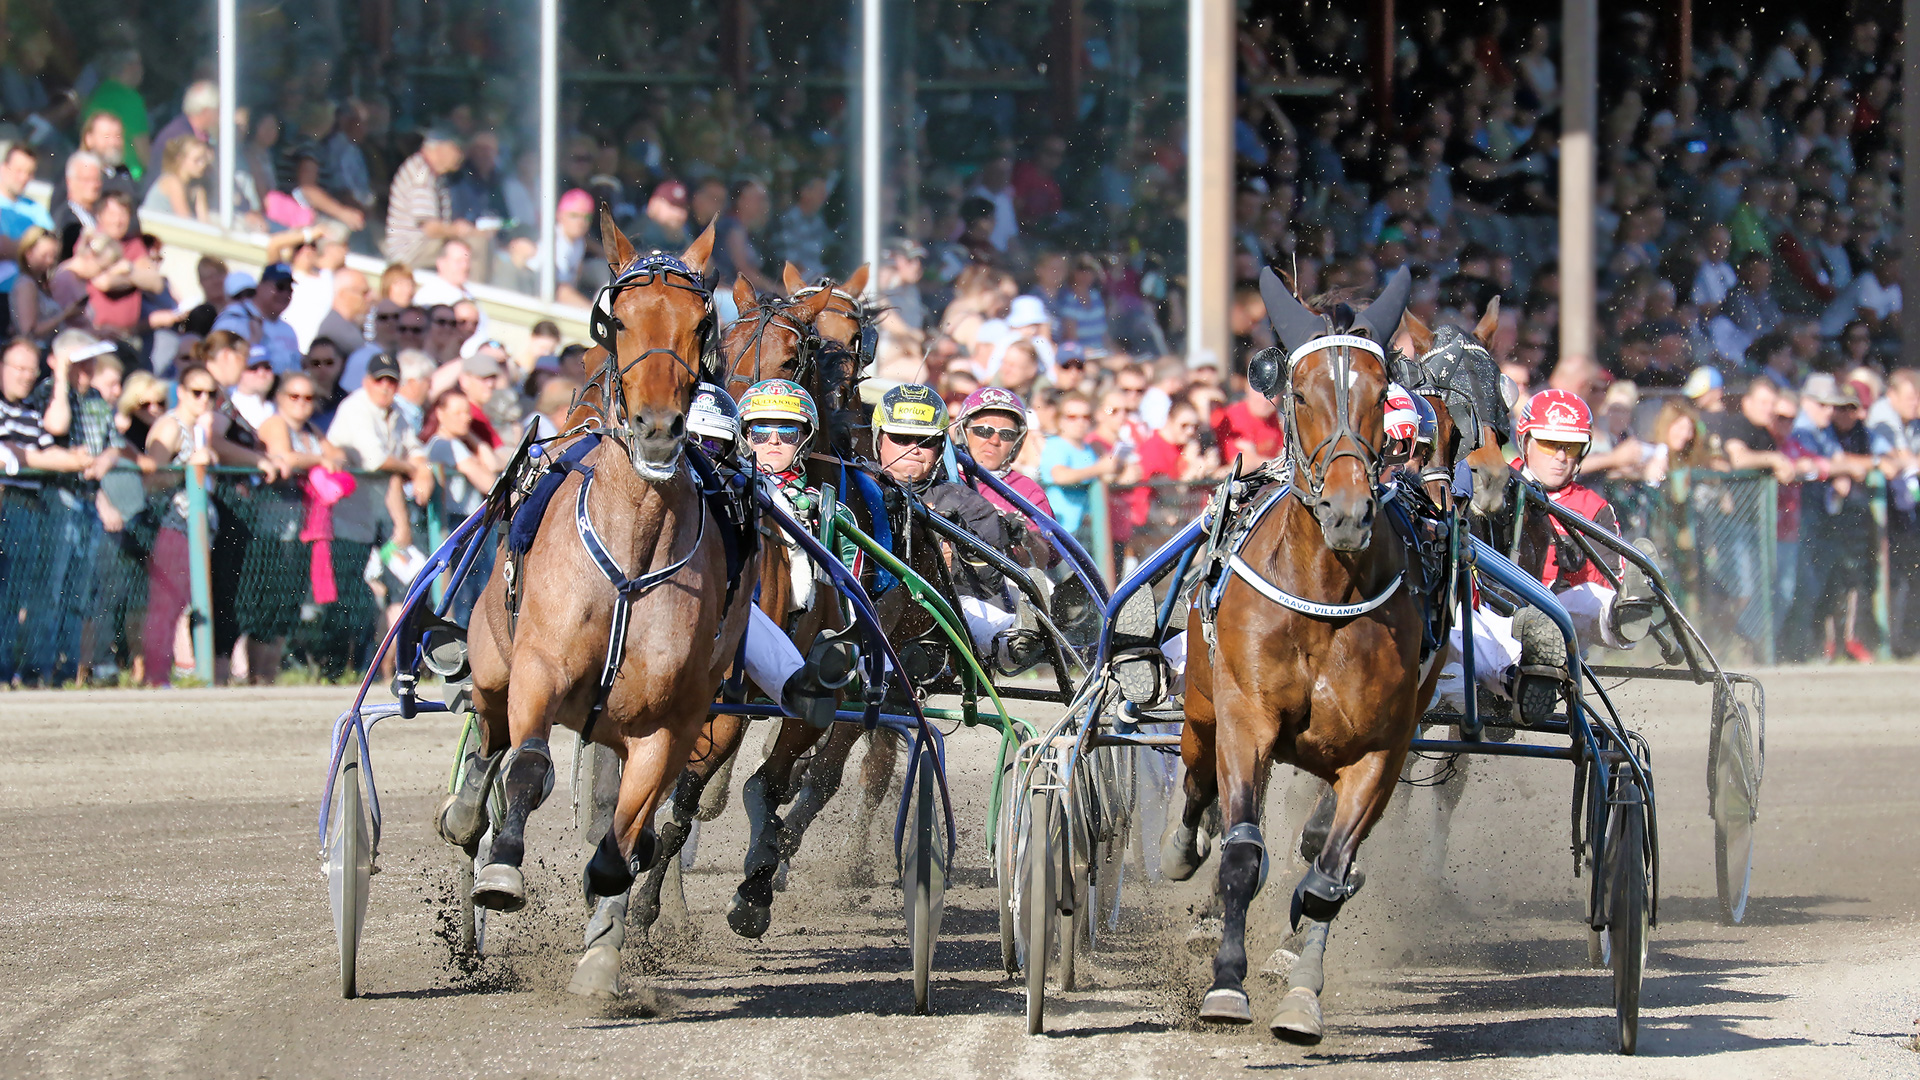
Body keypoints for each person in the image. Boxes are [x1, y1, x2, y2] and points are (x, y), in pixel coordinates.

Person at [1437, 390, 1656, 725]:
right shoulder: (1493, 481)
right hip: (1494, 615)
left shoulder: (1593, 508)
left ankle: (1625, 618)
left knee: (1591, 598)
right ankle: (1519, 681)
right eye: (1549, 445)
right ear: (1525, 443)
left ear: (1583, 452)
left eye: (1569, 448)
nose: (1560, 457)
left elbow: (1605, 578)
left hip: (1557, 626)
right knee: (1455, 621)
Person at [871, 383, 1021, 658]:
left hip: (947, 608)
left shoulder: (967, 503)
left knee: (972, 611)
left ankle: (1014, 641)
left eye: (926, 441)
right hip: (869, 601)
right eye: (902, 437)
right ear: (879, 439)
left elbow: (990, 584)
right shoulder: (858, 488)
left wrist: (965, 548)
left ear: (941, 447)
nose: (914, 449)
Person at [733, 378, 852, 726]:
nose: (772, 441)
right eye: (760, 432)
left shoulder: (824, 505)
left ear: (804, 438)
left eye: (787, 432)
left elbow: (847, 586)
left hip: (801, 611)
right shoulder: (722, 480)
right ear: (744, 436)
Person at [422, 387, 502, 623]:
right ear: (440, 413)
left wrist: (472, 438)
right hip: (458, 522)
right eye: (457, 413)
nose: (465, 417)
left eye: (467, 412)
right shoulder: (445, 444)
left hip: (465, 521)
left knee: (473, 587)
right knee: (468, 591)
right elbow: (489, 482)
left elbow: (492, 462)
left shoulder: (458, 443)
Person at [384, 129, 479, 268]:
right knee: (472, 248)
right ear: (440, 148)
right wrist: (458, 230)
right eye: (457, 149)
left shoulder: (437, 175)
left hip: (425, 246)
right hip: (411, 252)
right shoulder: (421, 173)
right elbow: (430, 229)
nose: (461, 155)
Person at [1040, 391, 1120, 544]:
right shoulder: (1056, 445)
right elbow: (1060, 476)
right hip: (1061, 530)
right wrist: (1100, 468)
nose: (1080, 422)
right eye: (1072, 417)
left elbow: (1103, 477)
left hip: (1086, 529)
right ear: (1059, 420)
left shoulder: (1089, 449)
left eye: (1085, 417)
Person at [213, 262, 301, 373]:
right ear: (261, 286)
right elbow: (219, 365)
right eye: (280, 287)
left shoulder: (288, 330)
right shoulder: (235, 319)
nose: (285, 294)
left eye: (290, 289)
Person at [141, 134, 212, 222]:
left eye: (204, 159)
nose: (202, 165)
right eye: (197, 160)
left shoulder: (194, 186)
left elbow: (204, 222)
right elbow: (187, 222)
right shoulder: (173, 182)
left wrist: (201, 199)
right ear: (180, 159)